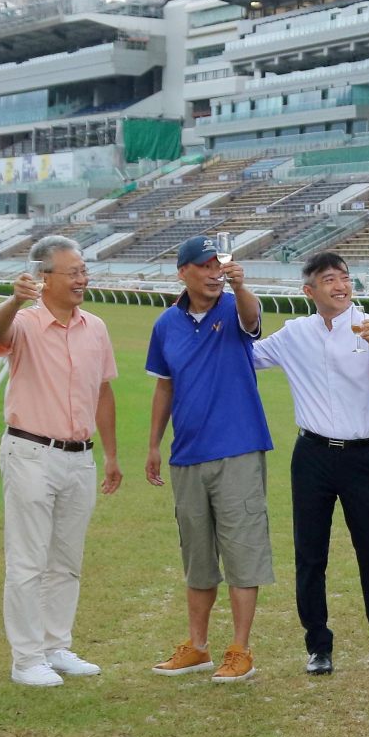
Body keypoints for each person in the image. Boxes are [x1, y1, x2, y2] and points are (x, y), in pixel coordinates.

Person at [253, 251, 369, 675]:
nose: (341, 285)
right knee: (311, 554)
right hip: (311, 455)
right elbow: (248, 357)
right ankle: (318, 647)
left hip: (363, 455)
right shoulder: (294, 333)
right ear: (310, 291)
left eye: (345, 278)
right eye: (330, 279)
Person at [0, 236, 122, 687]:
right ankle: (26, 659)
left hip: (79, 457)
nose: (82, 279)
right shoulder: (24, 322)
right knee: (27, 561)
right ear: (44, 278)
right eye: (73, 272)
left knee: (66, 560)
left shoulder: (96, 328)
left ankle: (55, 647)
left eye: (84, 271)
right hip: (30, 453)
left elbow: (103, 391)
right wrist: (12, 300)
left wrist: (111, 455)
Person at [145, 236, 275, 684]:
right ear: (183, 272)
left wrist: (241, 287)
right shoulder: (166, 325)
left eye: (218, 264)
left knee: (243, 551)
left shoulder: (233, 308)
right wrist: (154, 445)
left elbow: (252, 318)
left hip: (238, 448)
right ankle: (197, 647)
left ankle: (240, 649)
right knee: (197, 556)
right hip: (187, 456)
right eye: (204, 266)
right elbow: (164, 386)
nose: (213, 272)